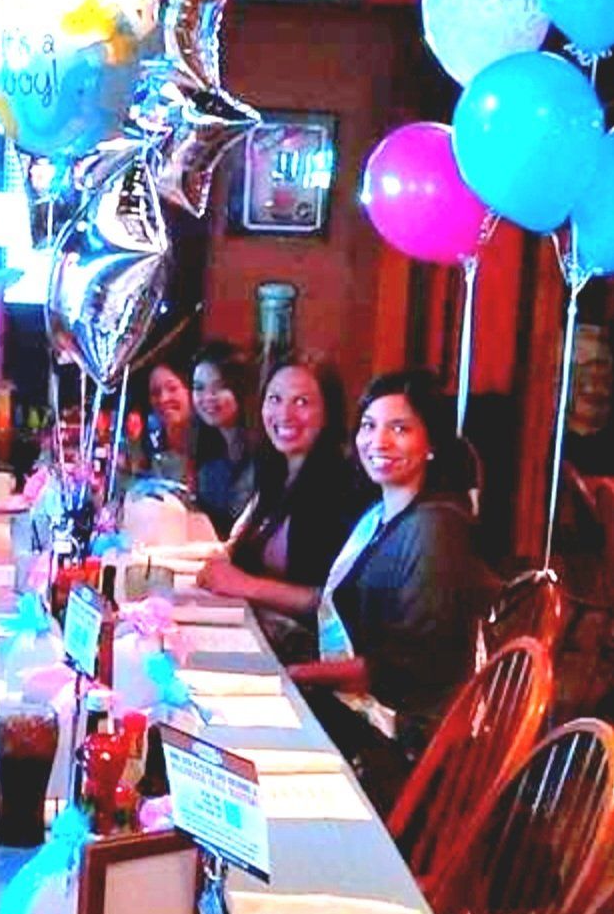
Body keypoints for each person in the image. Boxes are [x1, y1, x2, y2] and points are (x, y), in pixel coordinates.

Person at [288, 368, 488, 812]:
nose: (377, 442)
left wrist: (296, 674)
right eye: (369, 425)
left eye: (399, 428)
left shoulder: (434, 530)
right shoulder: (383, 513)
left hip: (407, 750)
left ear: (431, 443)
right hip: (367, 715)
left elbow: (401, 670)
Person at [196, 354, 361, 658]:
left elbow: (331, 600)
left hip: (306, 654)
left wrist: (246, 585)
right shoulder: (275, 471)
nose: (285, 414)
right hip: (256, 631)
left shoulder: (340, 486)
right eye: (275, 399)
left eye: (302, 402)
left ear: (328, 412)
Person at [191, 340, 255, 538]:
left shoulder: (263, 452)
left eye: (219, 387)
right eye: (199, 388)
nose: (207, 398)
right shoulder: (209, 453)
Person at [140, 355, 194, 486]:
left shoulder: (213, 445)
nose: (163, 399)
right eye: (155, 392)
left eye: (172, 388)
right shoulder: (152, 443)